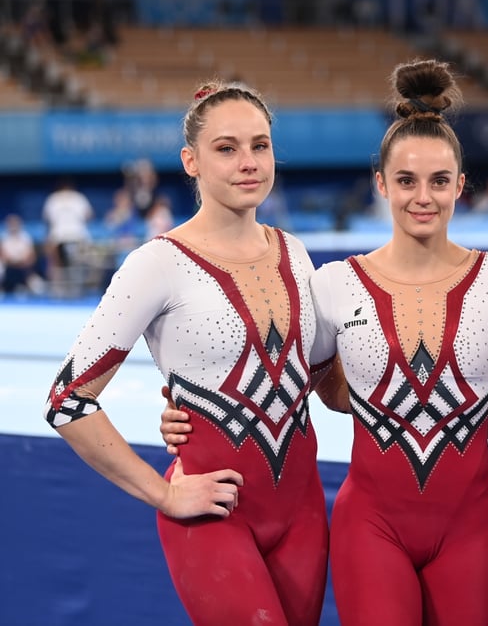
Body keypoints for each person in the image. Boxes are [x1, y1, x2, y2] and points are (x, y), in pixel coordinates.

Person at [161, 59, 488, 626]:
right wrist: (184, 411)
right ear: (380, 184)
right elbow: (302, 385)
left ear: (461, 186)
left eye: (440, 181)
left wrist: (471, 413)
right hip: (370, 527)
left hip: (470, 530)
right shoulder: (334, 284)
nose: (424, 197)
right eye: (406, 181)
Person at [44, 80, 329, 626]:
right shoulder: (158, 264)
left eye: (260, 145)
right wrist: (163, 495)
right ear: (191, 161)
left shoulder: (294, 252)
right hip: (212, 515)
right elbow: (67, 400)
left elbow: (319, 377)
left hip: (303, 513)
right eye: (226, 148)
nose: (248, 162)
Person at [41, 175, 94, 296]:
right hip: (76, 235)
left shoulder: (53, 199)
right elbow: (89, 216)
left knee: (58, 264)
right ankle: (77, 290)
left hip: (61, 236)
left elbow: (47, 221)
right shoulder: (79, 198)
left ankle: (59, 292)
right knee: (76, 264)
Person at [1, 213, 44, 295]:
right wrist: (12, 262)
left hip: (23, 266)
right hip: (8, 265)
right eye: (11, 224)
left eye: (15, 223)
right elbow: (3, 255)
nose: (13, 226)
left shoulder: (25, 237)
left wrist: (22, 262)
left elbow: (31, 255)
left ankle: (30, 285)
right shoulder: (4, 237)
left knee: (37, 284)